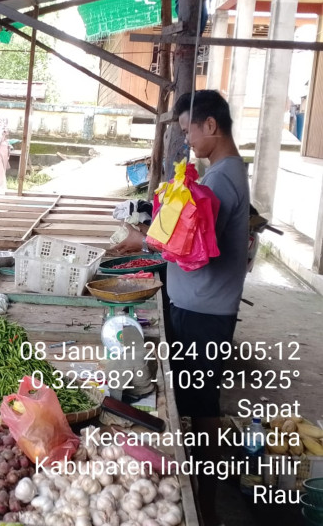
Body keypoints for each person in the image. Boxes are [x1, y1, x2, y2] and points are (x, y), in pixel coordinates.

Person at [112, 90, 249, 526]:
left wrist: (143, 239)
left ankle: (203, 503)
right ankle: (196, 487)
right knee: (190, 400)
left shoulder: (222, 180)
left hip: (205, 312)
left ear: (211, 126)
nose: (187, 138)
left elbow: (188, 243)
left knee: (201, 406)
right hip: (197, 304)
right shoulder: (218, 174)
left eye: (190, 128)